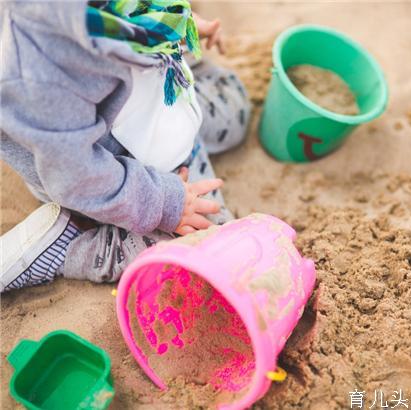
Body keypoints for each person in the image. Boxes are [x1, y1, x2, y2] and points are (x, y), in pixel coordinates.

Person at [0, 0, 251, 291]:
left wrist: (178, 24)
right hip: (118, 175)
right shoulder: (37, 72)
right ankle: (72, 243)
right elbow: (79, 180)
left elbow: (136, 10)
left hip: (158, 107)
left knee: (235, 108)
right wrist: (165, 204)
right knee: (213, 245)